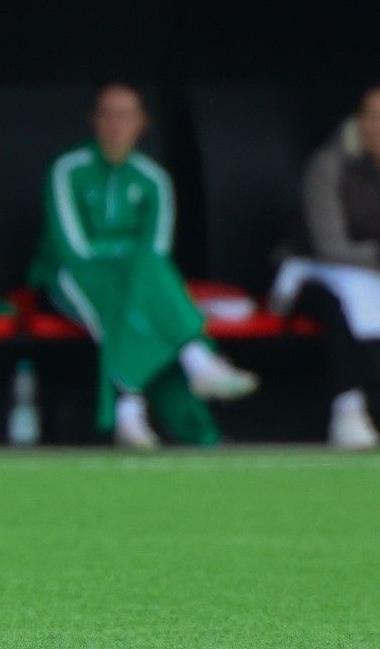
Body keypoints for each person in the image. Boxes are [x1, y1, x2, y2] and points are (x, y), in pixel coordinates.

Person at [31, 81, 258, 449]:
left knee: (140, 286)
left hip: (134, 282)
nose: (116, 125)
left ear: (142, 123)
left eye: (125, 116)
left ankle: (129, 411)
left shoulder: (154, 178)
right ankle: (195, 356)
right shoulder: (67, 170)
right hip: (72, 278)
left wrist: (126, 258)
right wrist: (124, 254)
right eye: (108, 115)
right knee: (133, 296)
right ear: (94, 121)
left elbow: (157, 250)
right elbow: (72, 248)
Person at [278, 84, 380, 448]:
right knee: (340, 301)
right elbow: (329, 245)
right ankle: (349, 410)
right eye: (372, 116)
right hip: (320, 271)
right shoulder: (328, 165)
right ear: (359, 121)